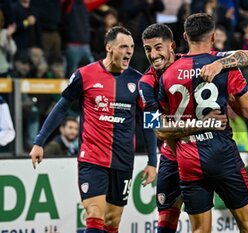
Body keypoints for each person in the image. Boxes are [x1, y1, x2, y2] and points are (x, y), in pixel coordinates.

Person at [29, 26, 157, 233]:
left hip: (123, 160)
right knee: (95, 214)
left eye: (132, 47)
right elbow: (61, 108)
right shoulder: (85, 75)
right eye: (123, 46)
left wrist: (153, 161)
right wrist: (39, 141)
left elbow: (149, 120)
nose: (129, 51)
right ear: (109, 48)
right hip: (92, 159)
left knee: (113, 221)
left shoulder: (139, 81)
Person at [140, 23, 248, 233]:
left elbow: (247, 54)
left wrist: (221, 65)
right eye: (148, 50)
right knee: (166, 220)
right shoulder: (146, 83)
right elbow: (155, 127)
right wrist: (203, 124)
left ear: (173, 45)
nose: (153, 55)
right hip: (173, 154)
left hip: (193, 152)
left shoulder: (194, 62)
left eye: (158, 47)